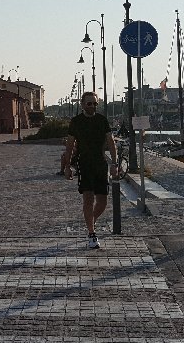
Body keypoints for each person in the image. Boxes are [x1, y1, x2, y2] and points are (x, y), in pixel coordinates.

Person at [63, 92, 120, 250]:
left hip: (100, 164)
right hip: (84, 164)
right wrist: (67, 166)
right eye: (89, 104)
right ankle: (92, 233)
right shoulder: (76, 122)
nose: (93, 106)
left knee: (102, 202)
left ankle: (90, 221)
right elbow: (69, 145)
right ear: (82, 104)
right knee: (88, 199)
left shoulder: (102, 120)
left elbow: (111, 142)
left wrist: (114, 163)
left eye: (95, 104)